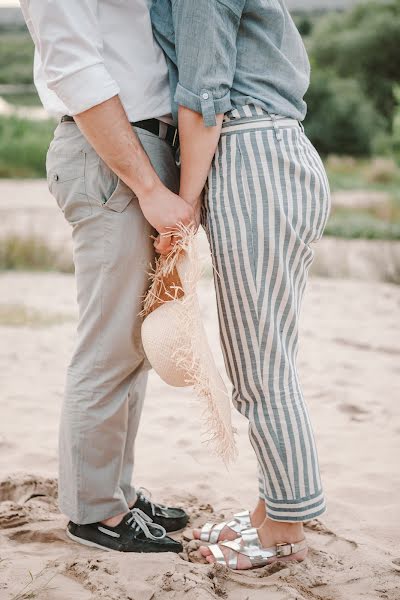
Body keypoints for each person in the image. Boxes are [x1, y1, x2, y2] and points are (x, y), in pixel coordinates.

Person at [151, 0, 331, 569]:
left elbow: (204, 103)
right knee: (267, 354)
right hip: (274, 153)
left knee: (260, 364)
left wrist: (183, 202)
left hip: (251, 156)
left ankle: (284, 526)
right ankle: (273, 507)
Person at [19, 0, 194, 553]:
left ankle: (115, 491)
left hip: (142, 146)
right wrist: (146, 186)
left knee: (132, 344)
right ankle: (94, 513)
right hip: (112, 155)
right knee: (109, 343)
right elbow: (73, 67)